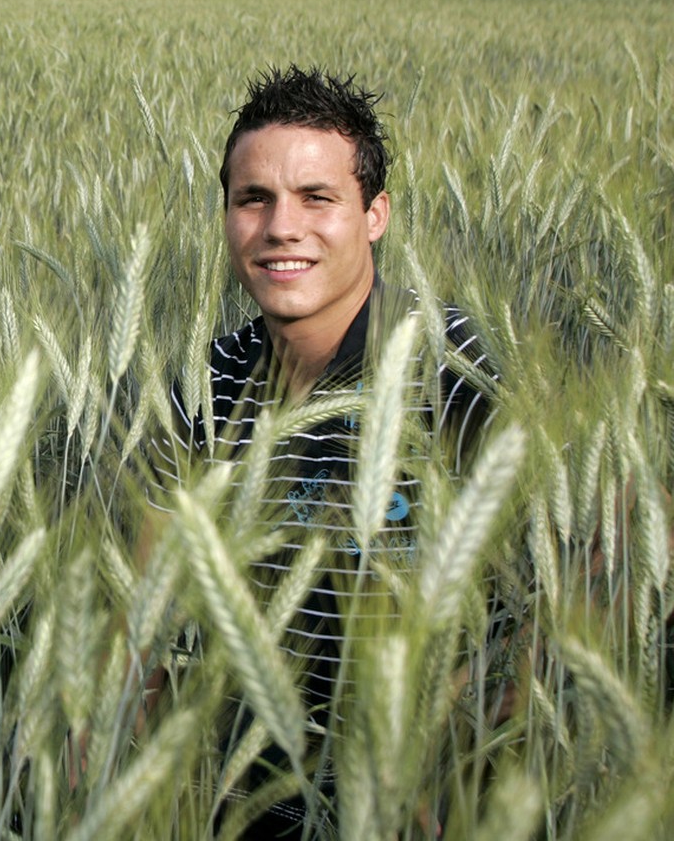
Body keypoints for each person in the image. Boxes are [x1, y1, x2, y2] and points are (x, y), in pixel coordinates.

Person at [147, 66, 497, 836]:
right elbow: (138, 607)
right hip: (247, 799)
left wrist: (465, 743)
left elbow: (614, 543)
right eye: (253, 199)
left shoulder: (456, 369)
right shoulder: (204, 387)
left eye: (317, 198)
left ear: (376, 215)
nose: (281, 227)